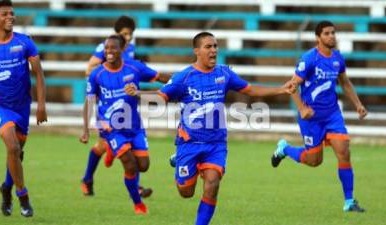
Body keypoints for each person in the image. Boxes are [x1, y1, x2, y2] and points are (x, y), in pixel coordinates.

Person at [125, 31, 295, 225]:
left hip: (215, 143)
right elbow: (160, 96)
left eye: (215, 46)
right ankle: (179, 159)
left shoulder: (224, 73)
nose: (213, 50)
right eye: (208, 46)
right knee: (186, 192)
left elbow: (250, 90)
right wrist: (138, 93)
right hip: (189, 143)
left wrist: (281, 89)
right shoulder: (185, 77)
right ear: (196, 51)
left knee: (212, 184)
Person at [270, 21, 367, 212]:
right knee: (314, 161)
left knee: (344, 152)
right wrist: (302, 109)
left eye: (333, 33)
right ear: (318, 38)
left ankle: (349, 201)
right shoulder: (309, 59)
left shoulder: (338, 58)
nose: (332, 36)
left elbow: (345, 83)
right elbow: (291, 86)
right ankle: (284, 149)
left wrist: (358, 104)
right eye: (327, 33)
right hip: (311, 119)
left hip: (332, 115)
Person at [80, 35, 169, 214]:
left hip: (134, 126)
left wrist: (180, 84)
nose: (109, 52)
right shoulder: (97, 74)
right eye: (106, 49)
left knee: (143, 165)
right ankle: (138, 204)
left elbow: (160, 77)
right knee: (130, 165)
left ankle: (112, 152)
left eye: (113, 48)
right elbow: (89, 101)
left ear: (122, 50)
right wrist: (86, 130)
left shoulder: (135, 67)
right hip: (110, 128)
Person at [0, 0, 47, 217]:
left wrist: (41, 104)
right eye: (5, 14)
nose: (10, 17)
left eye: (12, 13)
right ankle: (23, 196)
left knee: (17, 153)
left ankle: (6, 188)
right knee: (13, 148)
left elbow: (39, 74)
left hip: (22, 107)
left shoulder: (24, 43)